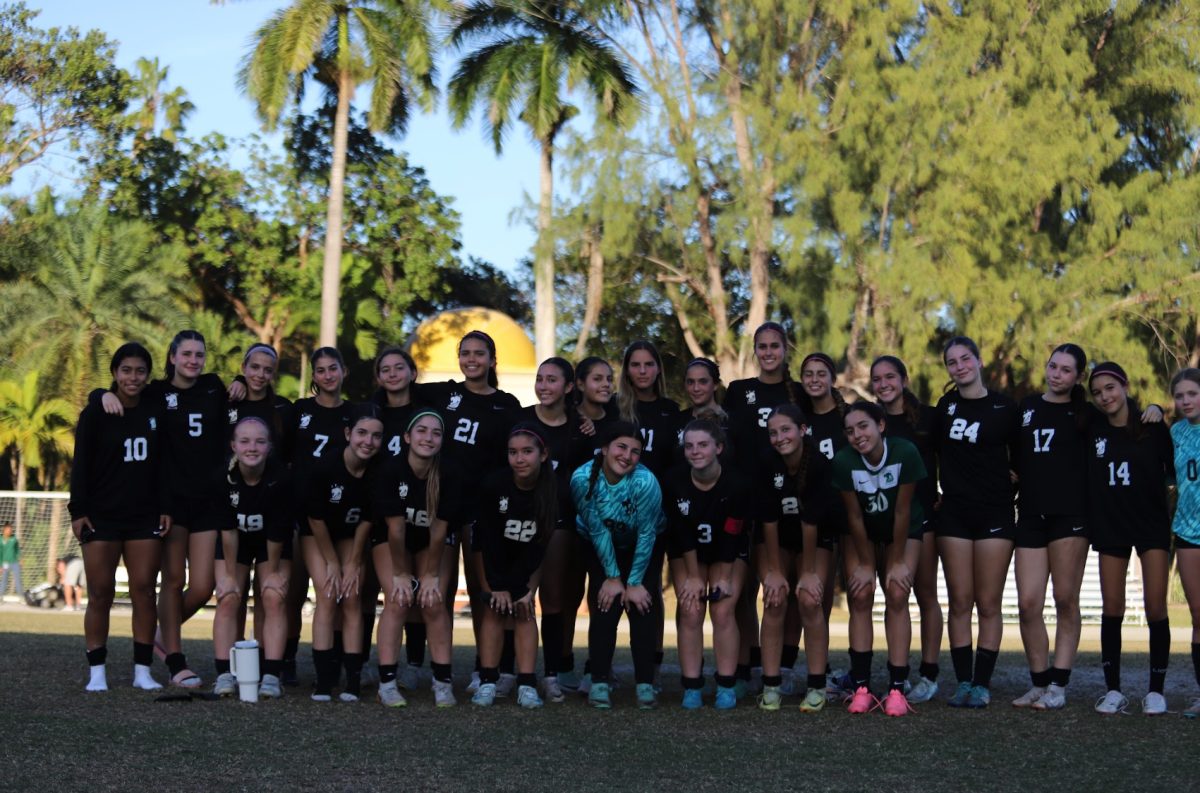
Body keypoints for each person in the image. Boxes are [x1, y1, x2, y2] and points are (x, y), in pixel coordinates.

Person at [96, 330, 232, 689]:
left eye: (199, 354)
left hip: (206, 501)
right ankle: (175, 660)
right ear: (172, 357)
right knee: (173, 581)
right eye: (186, 353)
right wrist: (102, 393)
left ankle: (156, 634)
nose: (193, 360)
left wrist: (241, 386)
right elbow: (120, 392)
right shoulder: (156, 391)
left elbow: (239, 409)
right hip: (170, 502)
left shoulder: (214, 387)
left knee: (202, 587)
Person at [418, 330, 521, 693]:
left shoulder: (507, 405)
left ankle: (489, 668)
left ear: (493, 360)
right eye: (466, 353)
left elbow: (530, 439)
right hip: (443, 505)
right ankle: (439, 670)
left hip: (485, 509)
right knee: (440, 589)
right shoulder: (445, 393)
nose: (472, 359)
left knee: (484, 589)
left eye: (480, 353)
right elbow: (393, 389)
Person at [69, 342, 170, 692]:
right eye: (126, 370)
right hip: (102, 516)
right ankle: (97, 672)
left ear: (148, 375)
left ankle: (143, 670)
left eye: (140, 371)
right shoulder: (96, 412)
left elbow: (163, 467)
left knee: (144, 590)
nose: (133, 377)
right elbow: (80, 464)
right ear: (114, 372)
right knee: (100, 592)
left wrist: (165, 506)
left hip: (143, 515)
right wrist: (77, 510)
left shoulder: (156, 408)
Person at [935, 336, 1019, 708]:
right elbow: (927, 447)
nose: (960, 366)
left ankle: (982, 684)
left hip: (995, 513)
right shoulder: (945, 406)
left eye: (965, 358)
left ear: (979, 361)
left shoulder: (1005, 406)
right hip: (954, 512)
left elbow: (1024, 456)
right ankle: (964, 682)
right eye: (952, 362)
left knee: (988, 602)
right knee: (959, 601)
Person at [1088, 362, 1174, 715]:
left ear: (1124, 387)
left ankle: (1155, 691)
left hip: (1150, 524)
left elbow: (1172, 476)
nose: (1104, 396)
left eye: (1110, 387)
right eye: (1097, 392)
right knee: (1112, 607)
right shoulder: (1092, 429)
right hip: (1111, 525)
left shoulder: (1153, 429)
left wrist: (1157, 406)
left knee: (1155, 607)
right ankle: (1114, 690)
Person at [1011, 344, 1092, 711]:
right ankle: (1039, 681)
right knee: (1028, 604)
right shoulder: (1025, 408)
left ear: (1078, 377)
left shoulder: (1085, 414)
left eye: (1065, 370)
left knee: (1064, 599)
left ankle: (1059, 685)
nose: (1057, 374)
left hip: (1070, 517)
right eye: (1053, 366)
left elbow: (1126, 423)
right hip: (1029, 514)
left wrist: (1153, 409)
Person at [833, 402, 927, 717]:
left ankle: (897, 687)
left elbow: (902, 511)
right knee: (860, 593)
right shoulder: (844, 461)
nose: (857, 435)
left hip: (903, 531)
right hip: (863, 535)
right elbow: (854, 517)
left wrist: (897, 560)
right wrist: (866, 564)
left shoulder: (905, 453)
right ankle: (861, 686)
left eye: (863, 426)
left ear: (880, 426)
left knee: (898, 592)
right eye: (850, 430)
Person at [372, 410, 464, 708]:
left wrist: (430, 575)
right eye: (422, 431)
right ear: (407, 437)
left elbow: (439, 531)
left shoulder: (449, 473)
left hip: (431, 540)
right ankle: (386, 683)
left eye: (436, 433)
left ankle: (442, 681)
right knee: (398, 599)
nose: (428, 437)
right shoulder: (390, 470)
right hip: (393, 539)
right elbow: (395, 529)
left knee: (433, 599)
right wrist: (400, 573)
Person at [571, 421, 665, 709]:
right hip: (599, 543)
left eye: (635, 451)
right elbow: (597, 530)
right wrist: (612, 577)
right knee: (605, 603)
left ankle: (646, 683)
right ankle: (599, 680)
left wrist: (634, 582)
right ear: (604, 448)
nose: (627, 456)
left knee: (642, 605)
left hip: (641, 544)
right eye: (621, 447)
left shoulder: (646, 482)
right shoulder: (582, 478)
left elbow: (648, 533)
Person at [470, 423, 561, 709]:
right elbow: (484, 543)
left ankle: (526, 683)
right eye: (513, 452)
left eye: (527, 452)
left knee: (525, 610)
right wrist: (494, 587)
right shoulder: (494, 486)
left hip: (526, 560)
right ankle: (487, 681)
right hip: (493, 558)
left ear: (543, 454)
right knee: (494, 610)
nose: (519, 459)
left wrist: (526, 590)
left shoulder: (550, 491)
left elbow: (539, 547)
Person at [869, 355, 943, 703]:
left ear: (903, 378)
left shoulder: (928, 418)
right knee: (893, 595)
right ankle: (897, 673)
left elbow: (953, 458)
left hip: (922, 519)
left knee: (925, 594)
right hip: (883, 524)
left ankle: (929, 674)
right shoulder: (871, 422)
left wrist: (944, 495)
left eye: (889, 377)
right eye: (877, 379)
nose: (883, 384)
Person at [664, 418, 748, 710]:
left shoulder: (736, 482)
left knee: (723, 609)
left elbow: (734, 531)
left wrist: (723, 576)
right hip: (689, 552)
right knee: (690, 607)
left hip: (728, 550)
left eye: (702, 445)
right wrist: (692, 577)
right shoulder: (674, 480)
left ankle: (726, 685)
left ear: (718, 448)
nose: (695, 451)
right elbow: (681, 532)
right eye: (689, 446)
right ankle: (692, 687)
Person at [757, 404, 835, 712]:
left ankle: (817, 685)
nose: (779, 438)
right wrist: (774, 571)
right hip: (775, 538)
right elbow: (768, 522)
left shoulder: (819, 464)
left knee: (808, 599)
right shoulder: (765, 462)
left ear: (803, 430)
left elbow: (811, 523)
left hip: (813, 539)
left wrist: (809, 572)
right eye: (773, 433)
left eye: (785, 429)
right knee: (774, 597)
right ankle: (771, 685)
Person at [304, 404, 383, 702]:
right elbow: (315, 519)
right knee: (327, 592)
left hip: (351, 533)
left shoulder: (378, 471)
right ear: (349, 433)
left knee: (351, 595)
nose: (368, 441)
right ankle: (324, 680)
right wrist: (334, 563)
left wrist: (353, 563)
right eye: (362, 433)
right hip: (318, 533)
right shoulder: (325, 467)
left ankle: (352, 678)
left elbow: (367, 520)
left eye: (376, 436)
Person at [283, 347, 353, 686]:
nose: (327, 375)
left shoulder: (355, 413)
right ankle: (286, 659)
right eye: (321, 370)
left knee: (337, 591)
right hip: (300, 512)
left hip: (341, 517)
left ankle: (337, 661)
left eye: (333, 368)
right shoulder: (299, 411)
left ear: (344, 371)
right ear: (314, 376)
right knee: (294, 592)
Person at [210, 417, 293, 699]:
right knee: (228, 596)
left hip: (272, 544)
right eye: (244, 441)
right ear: (233, 445)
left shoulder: (282, 478)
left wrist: (271, 574)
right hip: (237, 542)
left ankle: (271, 674)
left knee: (272, 595)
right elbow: (228, 531)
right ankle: (223, 673)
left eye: (259, 441)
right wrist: (231, 575)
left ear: (269, 446)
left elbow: (277, 533)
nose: (252, 447)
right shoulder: (223, 477)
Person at [517, 358, 580, 702]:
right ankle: (509, 671)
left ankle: (552, 672)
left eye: (552, 380)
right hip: (522, 520)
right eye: (539, 379)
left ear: (569, 387)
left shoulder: (579, 427)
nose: (543, 386)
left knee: (553, 597)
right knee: (516, 593)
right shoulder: (523, 421)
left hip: (561, 522)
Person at [370, 345, 427, 691]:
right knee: (379, 591)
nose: (392, 374)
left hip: (420, 512)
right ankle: (368, 664)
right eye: (385, 369)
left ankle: (416, 664)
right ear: (378, 377)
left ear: (412, 372)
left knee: (421, 595)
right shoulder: (372, 412)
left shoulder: (425, 412)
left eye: (399, 367)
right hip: (378, 510)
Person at [1171, 368, 1200, 717]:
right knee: (1197, 615)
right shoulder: (1176, 432)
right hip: (1187, 532)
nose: (1186, 401)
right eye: (1180, 396)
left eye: (1192, 394)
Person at [0, 522, 20, 600]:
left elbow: (17, 550)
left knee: (18, 580)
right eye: (8, 529)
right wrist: (0, 565)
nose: (9, 531)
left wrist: (20, 558)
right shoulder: (0, 539)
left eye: (11, 529)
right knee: (4, 581)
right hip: (5, 563)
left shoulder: (14, 538)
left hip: (14, 563)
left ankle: (21, 597)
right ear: (4, 530)